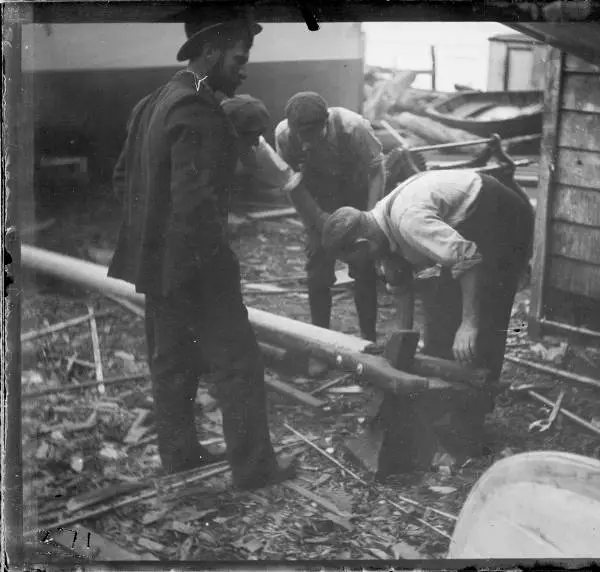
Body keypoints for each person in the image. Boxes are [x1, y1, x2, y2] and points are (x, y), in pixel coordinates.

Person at [108, 6, 295, 490]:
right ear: (209, 50)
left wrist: (149, 244)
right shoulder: (197, 109)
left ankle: (180, 457)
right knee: (238, 365)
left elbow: (122, 179)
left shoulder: (152, 101)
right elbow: (196, 205)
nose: (244, 66)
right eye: (238, 56)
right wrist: (212, 262)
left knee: (171, 363)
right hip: (196, 268)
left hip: (157, 267)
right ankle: (255, 471)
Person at [317, 169, 535, 451]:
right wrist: (400, 343)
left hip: (500, 215)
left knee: (483, 321)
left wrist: (468, 324)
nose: (354, 269)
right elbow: (402, 282)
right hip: (464, 223)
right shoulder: (377, 229)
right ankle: (444, 414)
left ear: (362, 244)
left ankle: (469, 429)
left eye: (352, 260)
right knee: (441, 313)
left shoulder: (409, 222)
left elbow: (467, 257)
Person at [275, 92, 386, 342]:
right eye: (301, 137)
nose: (306, 145)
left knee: (364, 266)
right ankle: (321, 341)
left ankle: (368, 340)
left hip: (355, 198)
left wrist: (369, 220)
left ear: (326, 121)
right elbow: (291, 184)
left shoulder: (354, 127)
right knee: (317, 270)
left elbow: (377, 171)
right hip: (317, 200)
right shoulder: (284, 135)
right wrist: (315, 222)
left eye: (314, 137)